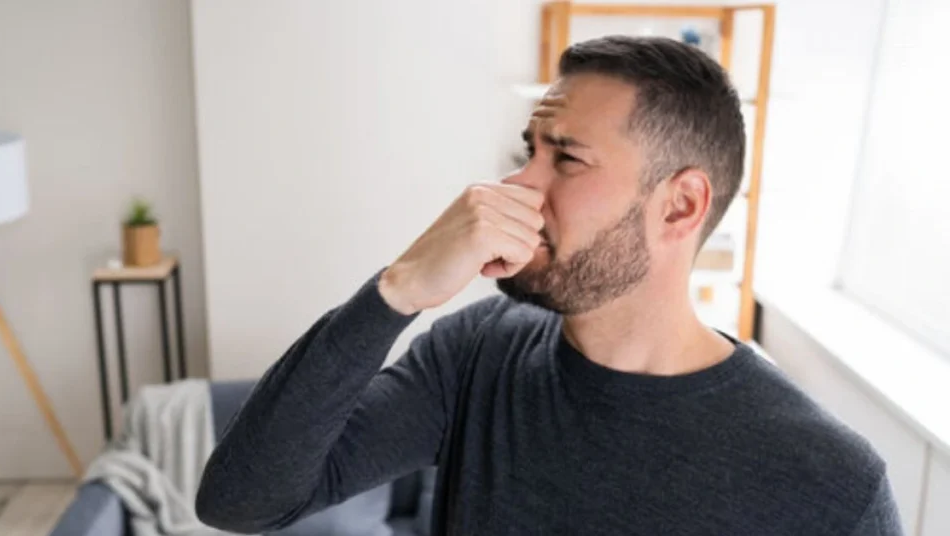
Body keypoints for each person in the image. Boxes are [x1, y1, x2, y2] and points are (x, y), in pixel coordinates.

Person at [195, 36, 903, 535]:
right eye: (525, 153)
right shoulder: (478, 353)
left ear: (680, 206)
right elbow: (242, 501)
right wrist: (397, 291)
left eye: (565, 159)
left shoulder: (830, 482)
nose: (515, 185)